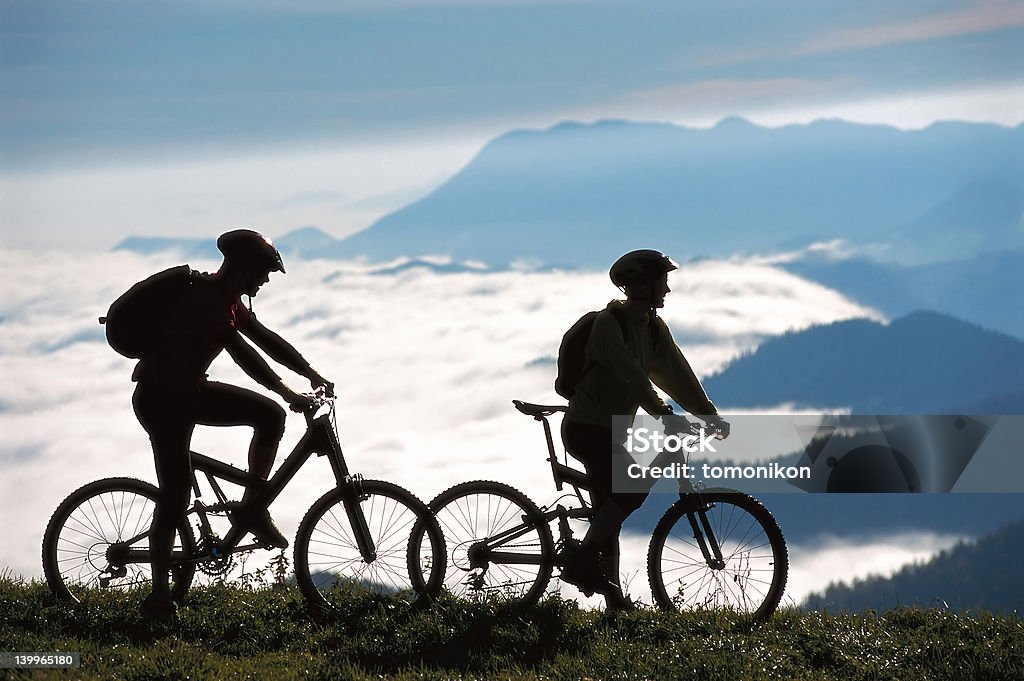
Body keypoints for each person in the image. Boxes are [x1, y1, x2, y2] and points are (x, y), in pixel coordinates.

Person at [130, 229, 334, 622]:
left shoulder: (229, 302)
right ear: (244, 269)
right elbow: (243, 354)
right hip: (161, 400)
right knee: (175, 495)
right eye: (263, 272)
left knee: (270, 417)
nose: (266, 280)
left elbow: (265, 339)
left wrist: (309, 372)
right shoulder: (208, 300)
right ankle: (158, 598)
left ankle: (251, 507)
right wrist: (287, 391)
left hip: (188, 392)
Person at [559, 249, 729, 610]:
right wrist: (665, 414)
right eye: (662, 281)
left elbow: (677, 374)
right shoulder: (610, 325)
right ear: (640, 285)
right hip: (586, 429)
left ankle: (614, 600)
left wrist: (707, 414)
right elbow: (633, 378)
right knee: (631, 491)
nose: (667, 289)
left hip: (609, 433)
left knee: (611, 514)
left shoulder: (652, 328)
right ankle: (582, 559)